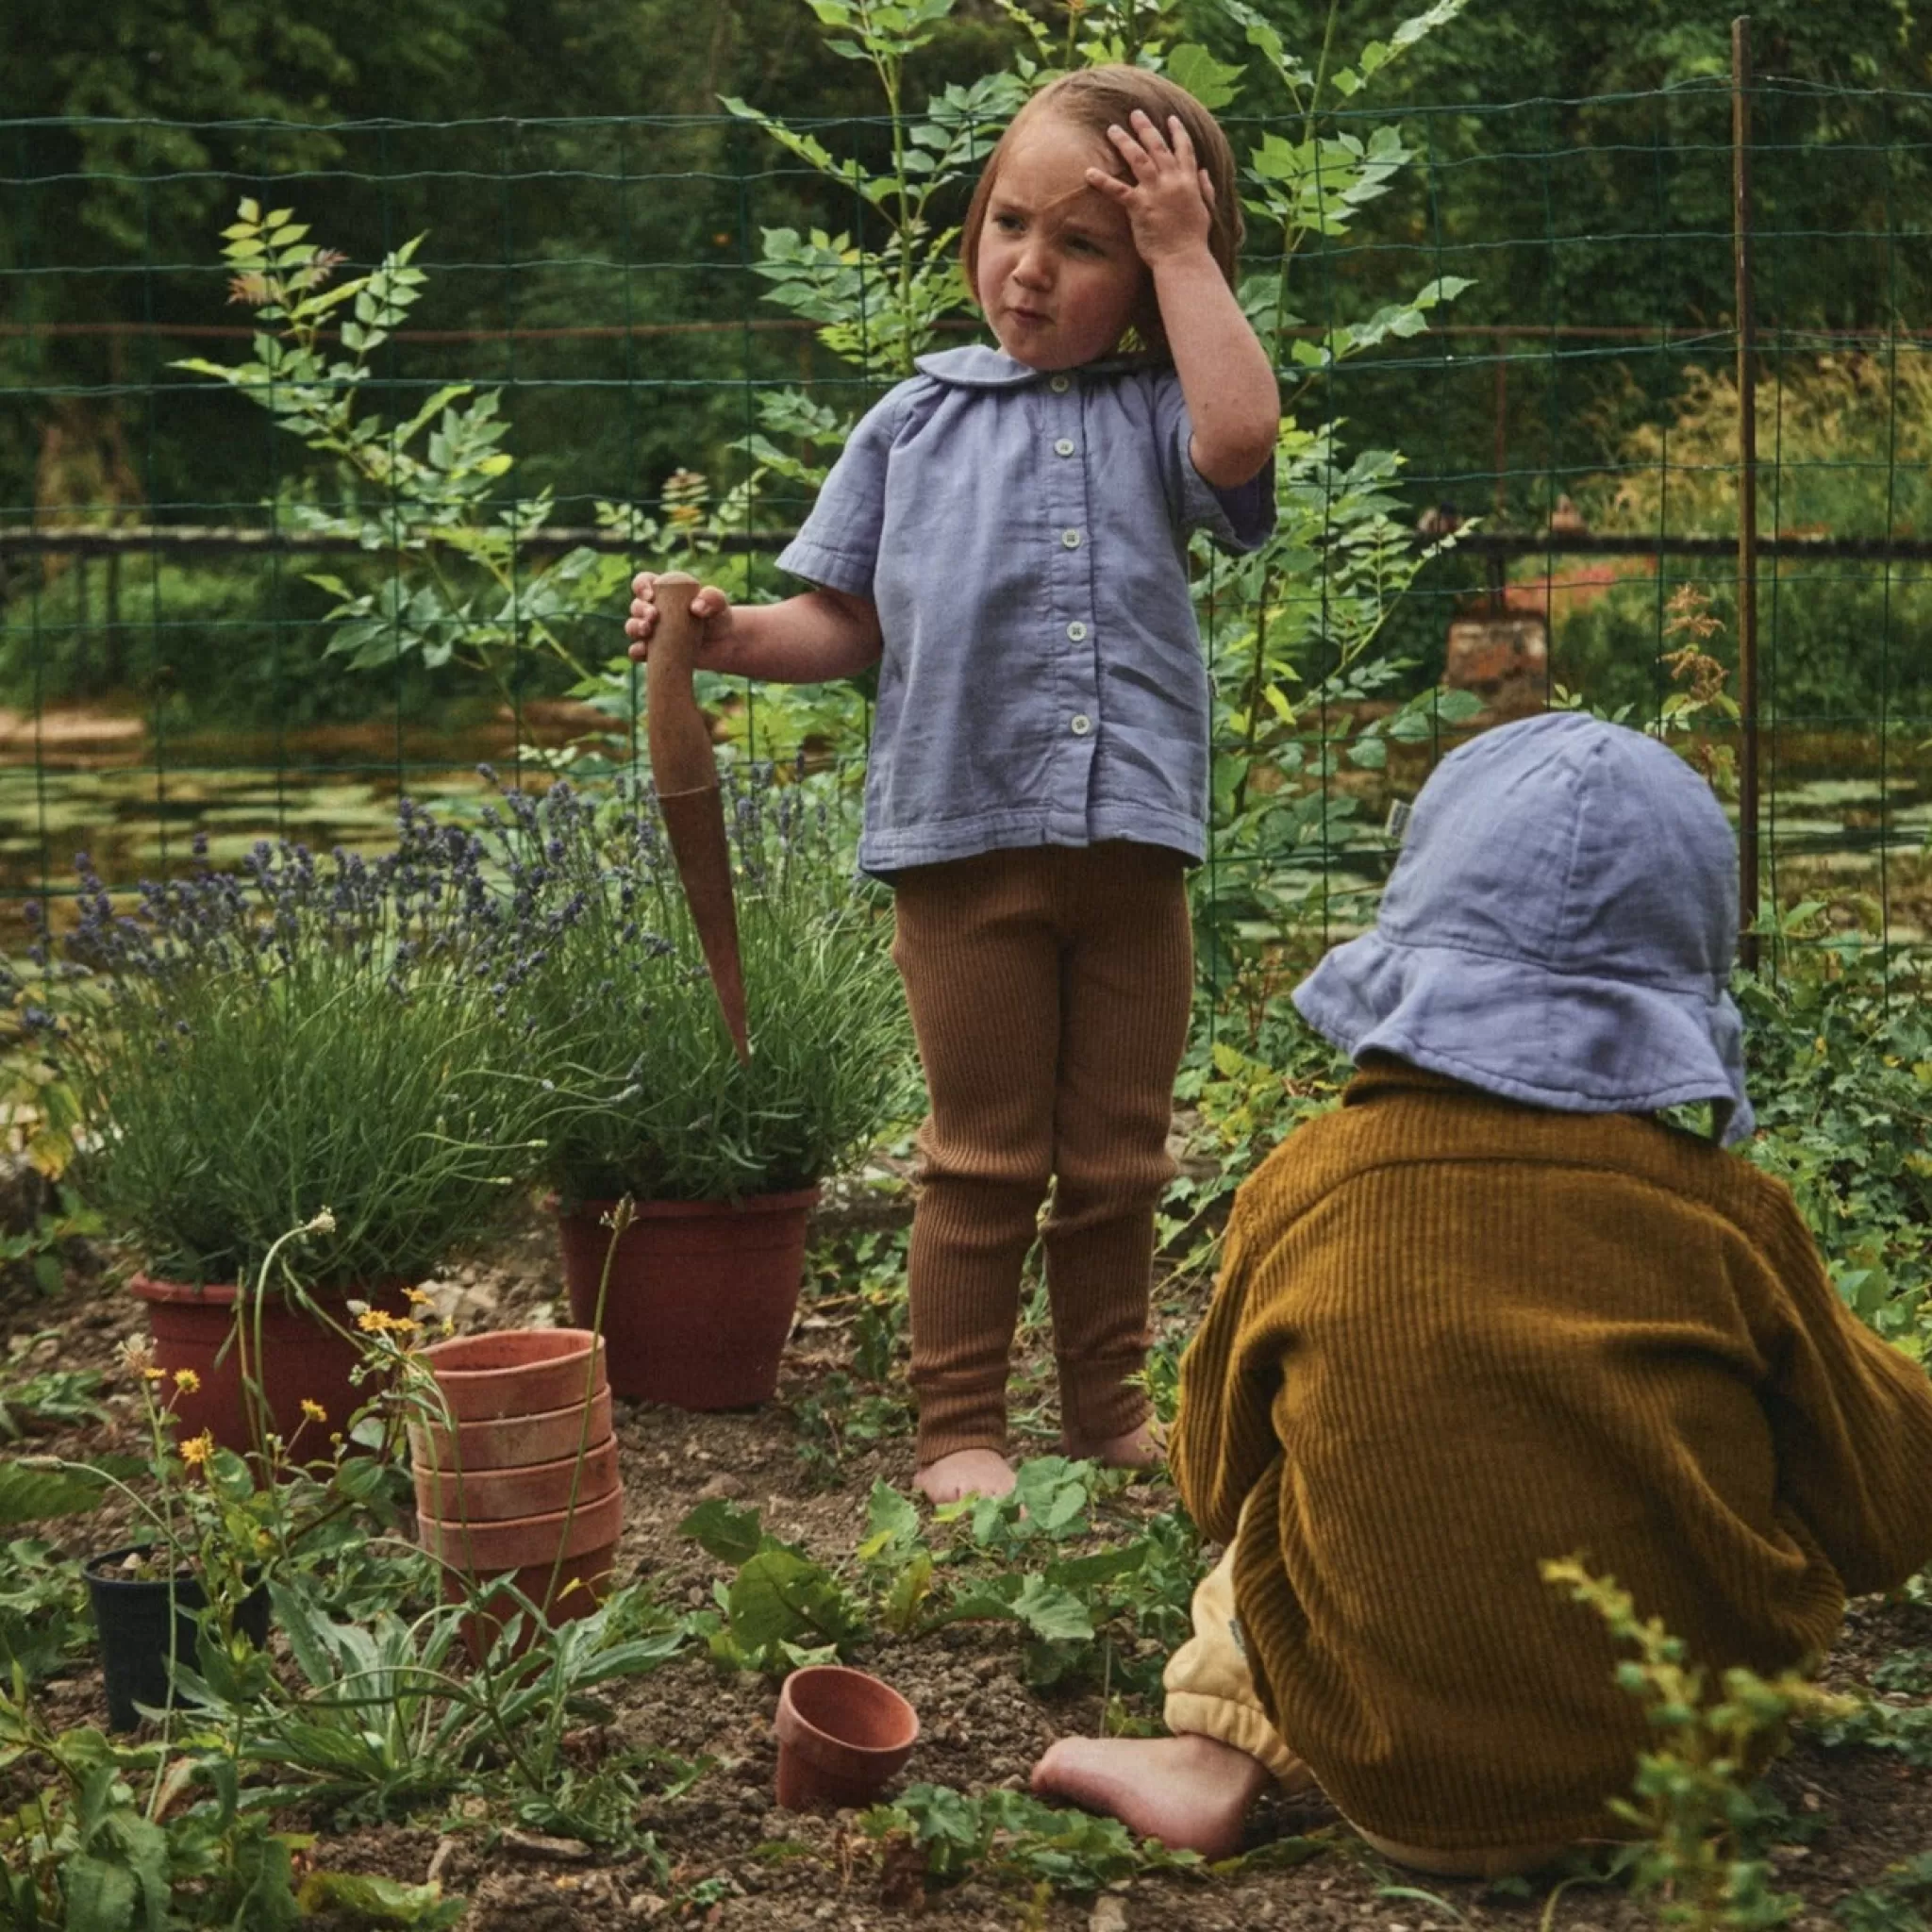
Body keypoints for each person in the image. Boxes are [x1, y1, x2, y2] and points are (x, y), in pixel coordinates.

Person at [1032, 710, 1932, 1874]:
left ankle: (1210, 1750)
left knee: (1271, 1502)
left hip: (1394, 1786)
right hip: (1687, 1775)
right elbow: (1889, 1505)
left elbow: (1210, 1477)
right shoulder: (1724, 1218)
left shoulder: (1303, 1188)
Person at [626, 68, 1280, 1504]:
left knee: (1119, 1159)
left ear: (1163, 270)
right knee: (982, 1159)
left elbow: (1242, 441)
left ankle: (1106, 1409)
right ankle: (958, 1433)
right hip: (962, 851)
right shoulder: (911, 424)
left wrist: (1182, 253)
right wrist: (732, 636)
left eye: (1087, 244)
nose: (1030, 269)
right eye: (1007, 224)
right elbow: (848, 622)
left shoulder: (1162, 414)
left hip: (1132, 854)